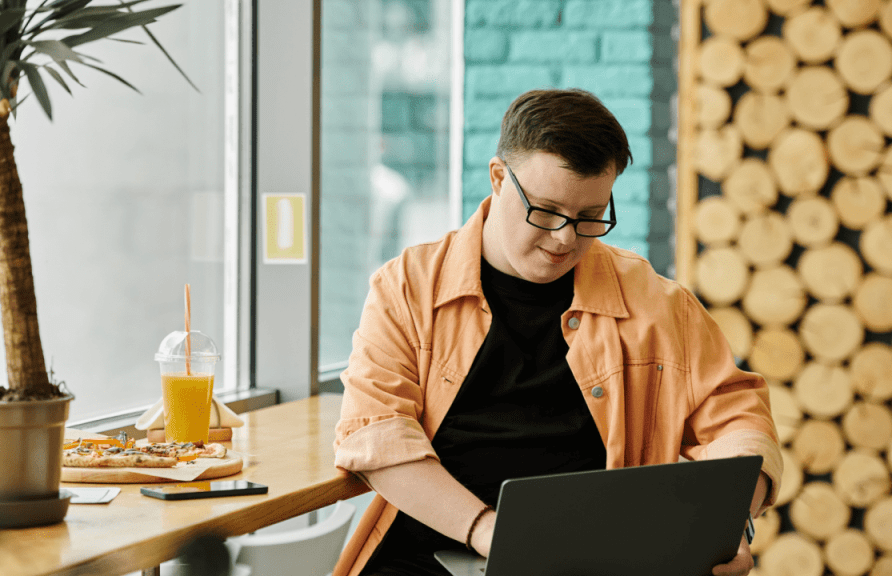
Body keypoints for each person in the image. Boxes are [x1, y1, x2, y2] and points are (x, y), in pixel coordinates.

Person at [331, 88, 782, 576]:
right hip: (426, 557)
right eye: (546, 211)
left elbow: (742, 422)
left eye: (591, 217)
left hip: (597, 562)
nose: (566, 238)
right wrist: (487, 530)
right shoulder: (406, 288)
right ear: (499, 178)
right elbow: (376, 436)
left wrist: (733, 522)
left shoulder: (657, 304)